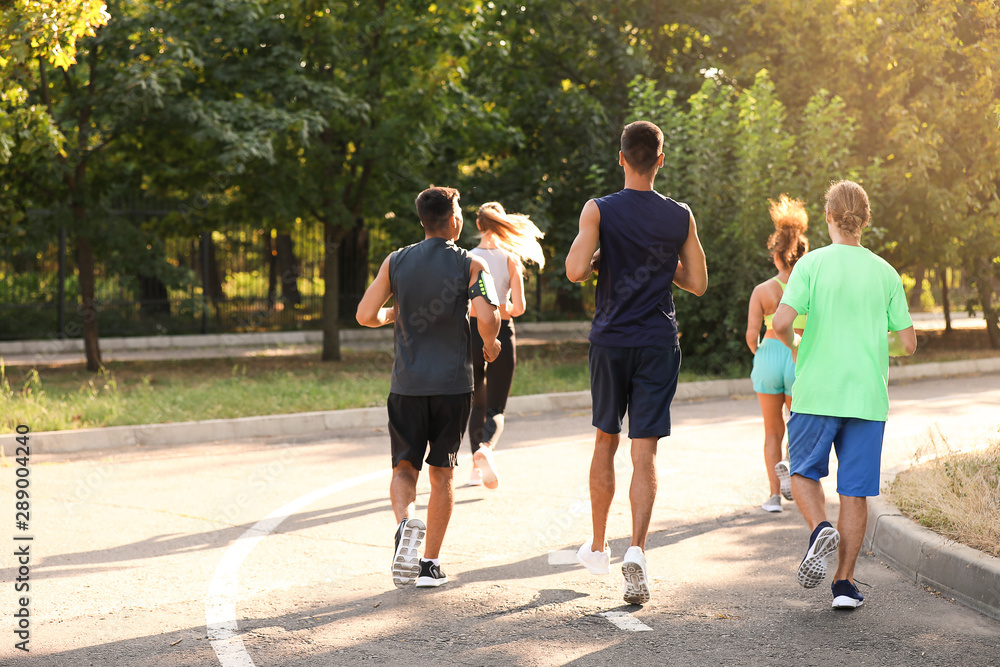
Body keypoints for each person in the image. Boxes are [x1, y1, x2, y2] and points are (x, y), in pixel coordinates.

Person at [565, 120, 708, 605]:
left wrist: (607, 253)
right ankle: (638, 551)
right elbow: (698, 282)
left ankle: (600, 544)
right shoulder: (680, 215)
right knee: (643, 452)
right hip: (657, 342)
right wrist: (661, 260)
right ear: (661, 161)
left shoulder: (598, 209)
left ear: (621, 157)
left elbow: (575, 270)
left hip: (610, 341)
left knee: (606, 438)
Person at [773, 179, 916, 610]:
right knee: (855, 493)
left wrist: (797, 345)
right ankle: (844, 586)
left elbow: (781, 322)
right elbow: (908, 342)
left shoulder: (812, 265)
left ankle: (819, 530)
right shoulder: (886, 272)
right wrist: (878, 341)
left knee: (802, 474)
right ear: (865, 220)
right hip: (868, 398)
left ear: (829, 217)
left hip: (818, 391)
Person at [356, 186, 501, 589]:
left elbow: (366, 315)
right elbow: (488, 316)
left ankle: (405, 525)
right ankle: (430, 565)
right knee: (442, 474)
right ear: (454, 220)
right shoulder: (471, 264)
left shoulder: (396, 261)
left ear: (422, 221)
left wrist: (395, 313)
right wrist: (490, 345)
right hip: (453, 387)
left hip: (407, 385)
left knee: (405, 468)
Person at [467, 202, 545, 489]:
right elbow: (519, 308)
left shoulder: (467, 258)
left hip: (472, 334)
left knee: (476, 402)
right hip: (502, 334)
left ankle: (476, 470)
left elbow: (464, 306)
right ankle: (485, 447)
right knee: (496, 407)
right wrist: (501, 306)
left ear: (478, 224)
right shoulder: (511, 258)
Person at [745, 194, 810, 513]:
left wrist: (760, 354)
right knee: (796, 424)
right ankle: (791, 474)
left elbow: (750, 335)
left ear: (775, 256)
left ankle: (773, 496)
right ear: (803, 255)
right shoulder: (810, 287)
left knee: (772, 431)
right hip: (798, 354)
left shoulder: (762, 291)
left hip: (769, 354)